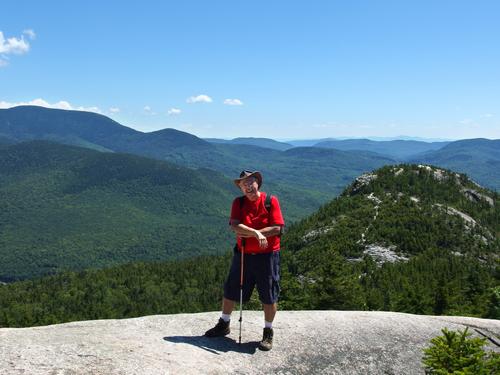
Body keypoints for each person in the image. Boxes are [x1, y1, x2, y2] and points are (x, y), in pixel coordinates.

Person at [205, 170, 285, 351]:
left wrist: (248, 233)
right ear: (240, 187)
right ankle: (224, 323)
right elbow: (234, 226)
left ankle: (268, 331)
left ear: (258, 182)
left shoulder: (270, 201)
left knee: (269, 293)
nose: (248, 186)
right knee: (231, 288)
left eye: (250, 182)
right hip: (243, 254)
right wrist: (256, 233)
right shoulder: (238, 203)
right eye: (243, 184)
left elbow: (277, 228)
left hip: (268, 255)